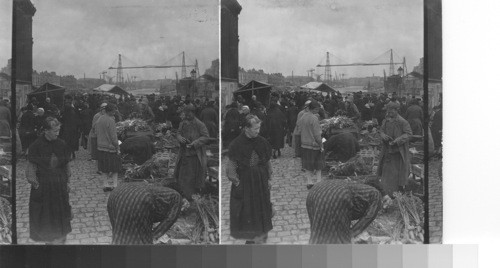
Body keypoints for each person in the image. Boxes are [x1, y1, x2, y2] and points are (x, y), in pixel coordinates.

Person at [227, 114, 273, 244]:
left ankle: (262, 233)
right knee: (247, 209)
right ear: (246, 128)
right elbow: (231, 167)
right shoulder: (236, 144)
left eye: (259, 128)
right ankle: (251, 237)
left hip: (261, 180)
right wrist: (236, 182)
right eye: (255, 129)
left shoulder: (262, 141)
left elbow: (267, 161)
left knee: (262, 206)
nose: (258, 131)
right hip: (245, 182)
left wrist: (269, 178)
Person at [26, 117, 72, 244]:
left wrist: (67, 182)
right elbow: (31, 169)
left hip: (59, 185)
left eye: (58, 130)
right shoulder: (36, 146)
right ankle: (49, 242)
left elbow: (66, 165)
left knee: (61, 214)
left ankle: (62, 241)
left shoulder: (61, 144)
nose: (57, 133)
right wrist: (36, 185)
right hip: (44, 188)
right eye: (55, 131)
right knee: (46, 217)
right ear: (46, 130)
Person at [306, 179, 383, 244]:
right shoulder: (376, 194)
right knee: (339, 239)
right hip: (337, 195)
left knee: (318, 231)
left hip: (314, 191)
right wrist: (352, 233)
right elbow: (369, 217)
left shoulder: (356, 188)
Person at [107, 182, 182, 244]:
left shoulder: (155, 189)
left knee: (120, 232)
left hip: (116, 193)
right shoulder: (177, 196)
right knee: (140, 240)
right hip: (138, 198)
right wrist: (153, 235)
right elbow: (170, 219)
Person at [174, 104, 210, 200]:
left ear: (193, 113)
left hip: (194, 156)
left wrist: (195, 143)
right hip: (184, 154)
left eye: (189, 113)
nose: (187, 115)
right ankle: (182, 195)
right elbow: (178, 133)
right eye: (186, 113)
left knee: (191, 178)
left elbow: (206, 137)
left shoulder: (200, 124)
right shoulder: (183, 123)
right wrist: (179, 138)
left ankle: (190, 197)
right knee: (182, 176)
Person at [378, 101, 412, 196]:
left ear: (397, 110)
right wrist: (383, 135)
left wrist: (397, 140)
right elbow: (381, 130)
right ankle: (386, 193)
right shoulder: (386, 121)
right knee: (386, 173)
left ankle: (395, 194)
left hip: (398, 153)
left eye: (391, 110)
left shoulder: (403, 122)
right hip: (387, 152)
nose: (389, 113)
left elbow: (408, 134)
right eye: (388, 111)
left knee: (396, 175)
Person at [95, 103, 121, 192]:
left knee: (104, 168)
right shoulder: (111, 120)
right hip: (110, 148)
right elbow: (113, 136)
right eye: (114, 111)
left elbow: (95, 132)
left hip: (100, 147)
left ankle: (106, 185)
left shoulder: (99, 119)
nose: (115, 112)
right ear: (110, 111)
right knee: (114, 168)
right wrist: (117, 147)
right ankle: (114, 185)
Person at [298, 100, 324, 189]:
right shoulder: (314, 118)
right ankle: (319, 181)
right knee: (318, 164)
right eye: (317, 109)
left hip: (304, 144)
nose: (318, 111)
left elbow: (299, 129)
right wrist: (321, 144)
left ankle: (309, 182)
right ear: (314, 109)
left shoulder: (302, 117)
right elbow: (317, 134)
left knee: (307, 164)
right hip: (314, 145)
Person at [59, 95, 80, 159]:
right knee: (71, 142)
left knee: (68, 141)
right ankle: (72, 154)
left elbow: (63, 118)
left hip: (68, 128)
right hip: (72, 128)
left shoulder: (67, 108)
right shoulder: (72, 108)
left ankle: (69, 155)